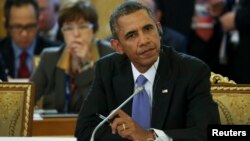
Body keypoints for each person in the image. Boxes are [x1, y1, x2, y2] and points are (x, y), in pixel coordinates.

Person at [75, 1, 220, 141]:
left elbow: (207, 133)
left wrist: (148, 136)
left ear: (159, 29)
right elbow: (85, 130)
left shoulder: (191, 71)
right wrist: (132, 136)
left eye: (148, 29)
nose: (144, 41)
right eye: (131, 35)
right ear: (118, 46)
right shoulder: (107, 69)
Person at [30, 1, 114, 113]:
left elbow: (99, 107)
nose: (76, 34)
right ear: (62, 33)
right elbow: (28, 99)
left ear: (94, 31)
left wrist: (86, 66)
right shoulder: (49, 58)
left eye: (82, 27)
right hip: (55, 127)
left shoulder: (109, 55)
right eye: (69, 28)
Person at [0, 0, 61, 79]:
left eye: (30, 26)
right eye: (18, 27)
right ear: (7, 25)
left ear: (38, 23)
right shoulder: (1, 50)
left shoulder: (55, 52)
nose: (24, 34)